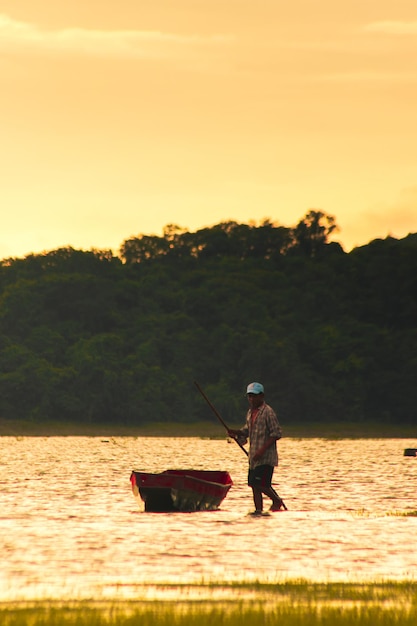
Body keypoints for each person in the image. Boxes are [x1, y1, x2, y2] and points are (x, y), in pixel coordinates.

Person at [228, 382, 284, 515]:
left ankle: (276, 500)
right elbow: (247, 431)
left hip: (266, 457)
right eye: (250, 396)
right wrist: (236, 432)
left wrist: (262, 450)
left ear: (262, 396)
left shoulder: (268, 412)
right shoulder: (250, 413)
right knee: (254, 485)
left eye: (254, 396)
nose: (252, 399)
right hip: (253, 458)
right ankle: (258, 511)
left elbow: (276, 433)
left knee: (261, 484)